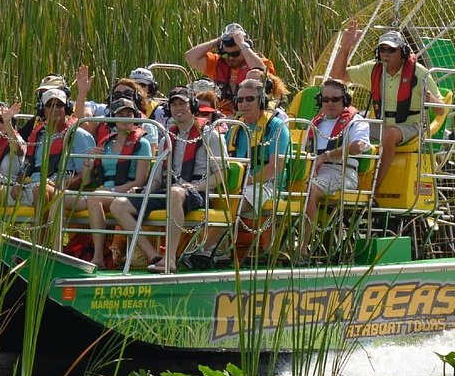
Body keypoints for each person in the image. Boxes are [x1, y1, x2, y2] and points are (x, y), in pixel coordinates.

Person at [109, 86, 225, 274]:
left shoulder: (210, 135)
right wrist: (143, 190)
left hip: (199, 193)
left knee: (175, 192)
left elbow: (221, 175)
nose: (178, 108)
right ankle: (153, 255)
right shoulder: (167, 139)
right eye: (174, 104)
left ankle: (170, 259)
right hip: (171, 191)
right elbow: (156, 179)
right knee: (118, 205)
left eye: (182, 103)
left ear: (192, 106)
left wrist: (195, 186)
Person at [330, 21, 447, 190]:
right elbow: (337, 74)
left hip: (411, 126)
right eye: (382, 50)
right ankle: (340, 180)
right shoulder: (373, 69)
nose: (386, 54)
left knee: (390, 134)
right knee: (347, 127)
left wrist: (428, 97)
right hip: (381, 123)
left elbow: (441, 109)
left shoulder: (419, 73)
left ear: (403, 52)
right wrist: (345, 47)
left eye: (391, 50)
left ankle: (374, 189)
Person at [189, 77, 290, 266]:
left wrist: (250, 181)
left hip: (266, 185)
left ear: (262, 101)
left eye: (250, 99)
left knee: (234, 202)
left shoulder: (276, 127)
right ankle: (212, 250)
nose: (244, 104)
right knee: (204, 197)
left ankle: (203, 250)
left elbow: (276, 166)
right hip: (235, 183)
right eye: (240, 100)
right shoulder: (234, 127)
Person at [295, 78, 371, 262]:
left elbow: (358, 147)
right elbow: (306, 151)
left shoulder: (356, 122)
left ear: (345, 100)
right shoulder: (315, 123)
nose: (329, 103)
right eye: (325, 99)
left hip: (343, 172)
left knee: (310, 190)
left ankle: (302, 250)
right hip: (315, 171)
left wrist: (326, 156)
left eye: (335, 99)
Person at [73, 98, 153, 269]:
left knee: (96, 198)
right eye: (120, 115)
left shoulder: (142, 144)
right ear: (113, 118)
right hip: (103, 192)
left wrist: (112, 190)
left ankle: (98, 257)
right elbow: (87, 180)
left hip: (125, 192)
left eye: (129, 114)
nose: (125, 118)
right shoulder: (105, 144)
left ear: (135, 116)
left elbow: (140, 181)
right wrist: (89, 160)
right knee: (59, 199)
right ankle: (50, 251)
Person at [12, 88, 95, 214]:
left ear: (66, 108)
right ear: (42, 109)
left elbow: (85, 177)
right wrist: (17, 183)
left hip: (63, 191)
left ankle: (40, 234)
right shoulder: (37, 135)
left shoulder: (78, 135)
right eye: (50, 105)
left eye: (59, 105)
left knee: (40, 190)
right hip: (30, 188)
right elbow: (27, 166)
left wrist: (61, 184)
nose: (55, 109)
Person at [184, 22, 276, 114]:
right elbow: (190, 56)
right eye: (225, 54)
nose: (230, 58)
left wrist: (242, 43)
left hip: (249, 115)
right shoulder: (216, 63)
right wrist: (219, 40)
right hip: (222, 117)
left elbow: (261, 70)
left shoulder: (261, 62)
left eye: (235, 54)